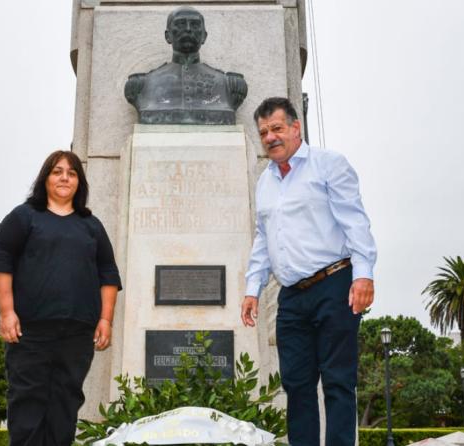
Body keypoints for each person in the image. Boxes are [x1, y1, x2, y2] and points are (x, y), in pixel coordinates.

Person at [241, 97, 377, 446]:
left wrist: (364, 274)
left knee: (337, 381)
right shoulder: (265, 182)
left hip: (335, 285)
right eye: (264, 132)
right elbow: (263, 238)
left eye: (277, 128)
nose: (270, 137)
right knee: (297, 385)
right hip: (291, 297)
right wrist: (252, 287)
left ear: (295, 127)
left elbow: (355, 221)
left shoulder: (328, 165)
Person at [0, 150, 122, 446]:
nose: (64, 178)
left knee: (65, 405)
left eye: (71, 173)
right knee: (27, 405)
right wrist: (7, 312)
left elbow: (108, 274)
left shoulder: (91, 226)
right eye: (57, 171)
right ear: (45, 178)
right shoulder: (24, 217)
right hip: (30, 332)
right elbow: (1, 261)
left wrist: (105, 319)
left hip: (76, 334)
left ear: (79, 182)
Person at [124, 6, 248, 125]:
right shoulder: (141, 85)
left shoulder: (230, 85)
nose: (188, 29)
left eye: (195, 24)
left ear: (204, 36)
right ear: (168, 36)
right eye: (181, 24)